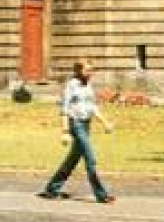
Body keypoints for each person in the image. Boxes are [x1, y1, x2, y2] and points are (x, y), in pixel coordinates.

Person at [38, 60, 115, 203]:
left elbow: (92, 107)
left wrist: (105, 122)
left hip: (86, 125)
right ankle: (101, 194)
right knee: (90, 158)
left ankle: (52, 189)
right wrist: (65, 131)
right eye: (87, 70)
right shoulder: (71, 86)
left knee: (72, 160)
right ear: (78, 71)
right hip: (76, 124)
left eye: (91, 70)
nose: (90, 73)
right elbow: (65, 109)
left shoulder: (88, 86)